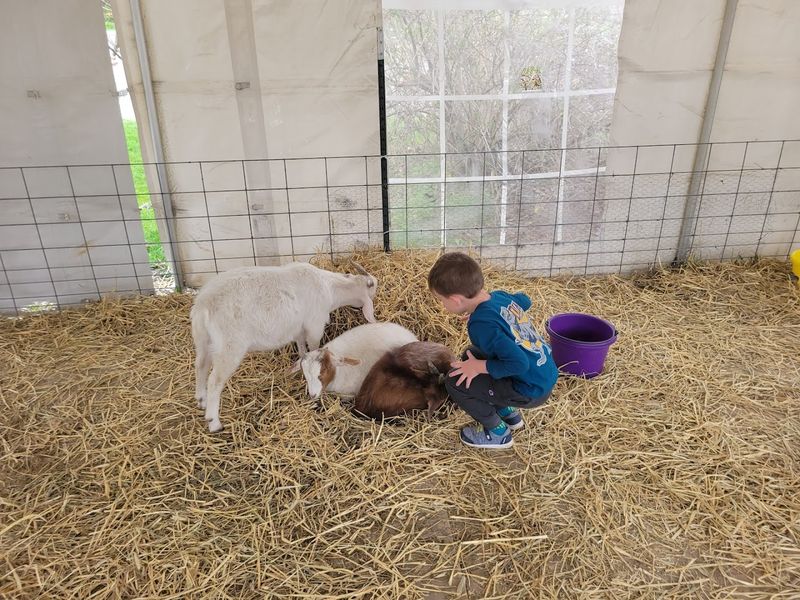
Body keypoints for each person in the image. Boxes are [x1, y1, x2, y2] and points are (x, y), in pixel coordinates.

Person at [428, 252, 558, 449]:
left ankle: (498, 432)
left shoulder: (482, 326)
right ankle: (508, 413)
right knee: (470, 355)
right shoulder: (498, 297)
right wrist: (486, 316)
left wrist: (479, 363)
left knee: (455, 380)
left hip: (529, 389)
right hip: (542, 374)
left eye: (440, 300)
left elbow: (518, 363)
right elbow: (525, 300)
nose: (441, 305)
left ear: (455, 300)